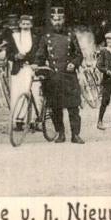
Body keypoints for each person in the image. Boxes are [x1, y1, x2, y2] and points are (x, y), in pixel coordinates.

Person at [35, 8, 84, 144]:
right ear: (51, 20)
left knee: (73, 107)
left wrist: (74, 63)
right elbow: (40, 56)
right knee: (56, 107)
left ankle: (75, 135)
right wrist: (38, 69)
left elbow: (79, 55)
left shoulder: (70, 35)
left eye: (60, 19)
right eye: (55, 19)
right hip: (53, 77)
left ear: (64, 19)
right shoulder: (46, 37)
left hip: (69, 76)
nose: (57, 22)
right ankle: (60, 134)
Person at [4, 15, 39, 130]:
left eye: (27, 24)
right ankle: (19, 120)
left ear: (31, 25)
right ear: (19, 25)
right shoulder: (14, 37)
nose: (25, 26)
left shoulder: (35, 38)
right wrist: (15, 56)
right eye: (23, 24)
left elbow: (40, 53)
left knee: (34, 92)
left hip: (32, 69)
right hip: (18, 69)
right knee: (18, 93)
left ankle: (34, 121)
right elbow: (8, 54)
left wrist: (36, 63)